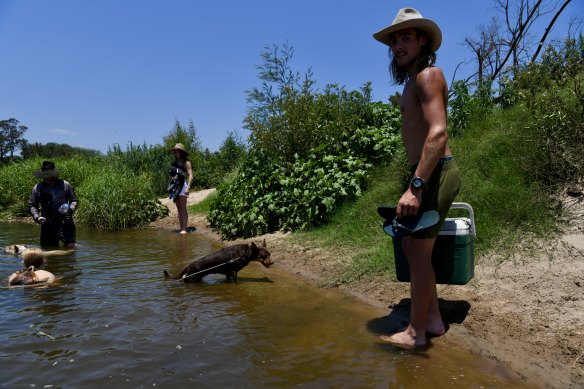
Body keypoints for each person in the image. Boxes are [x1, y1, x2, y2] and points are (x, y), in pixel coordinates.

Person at [373, 8, 461, 348]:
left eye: (405, 37)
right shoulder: (414, 80)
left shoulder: (428, 76)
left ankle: (416, 333)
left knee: (419, 253)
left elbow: (438, 133)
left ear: (422, 40)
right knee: (412, 249)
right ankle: (434, 320)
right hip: (425, 173)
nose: (397, 45)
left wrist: (416, 186)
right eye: (394, 39)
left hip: (436, 173)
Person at [29, 161, 79, 248]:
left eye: (50, 174)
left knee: (71, 249)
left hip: (65, 222)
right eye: (46, 175)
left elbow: (74, 200)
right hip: (47, 224)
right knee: (47, 251)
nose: (48, 177)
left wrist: (70, 209)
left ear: (54, 174)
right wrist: (37, 217)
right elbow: (32, 205)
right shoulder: (37, 188)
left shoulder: (65, 185)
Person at [168, 143, 193, 234]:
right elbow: (172, 176)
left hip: (183, 186)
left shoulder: (186, 163)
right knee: (178, 208)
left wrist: (188, 188)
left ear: (182, 152)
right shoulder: (174, 164)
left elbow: (191, 176)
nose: (176, 152)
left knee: (183, 208)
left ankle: (184, 229)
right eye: (175, 151)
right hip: (176, 187)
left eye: (178, 151)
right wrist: (173, 178)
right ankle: (181, 227)